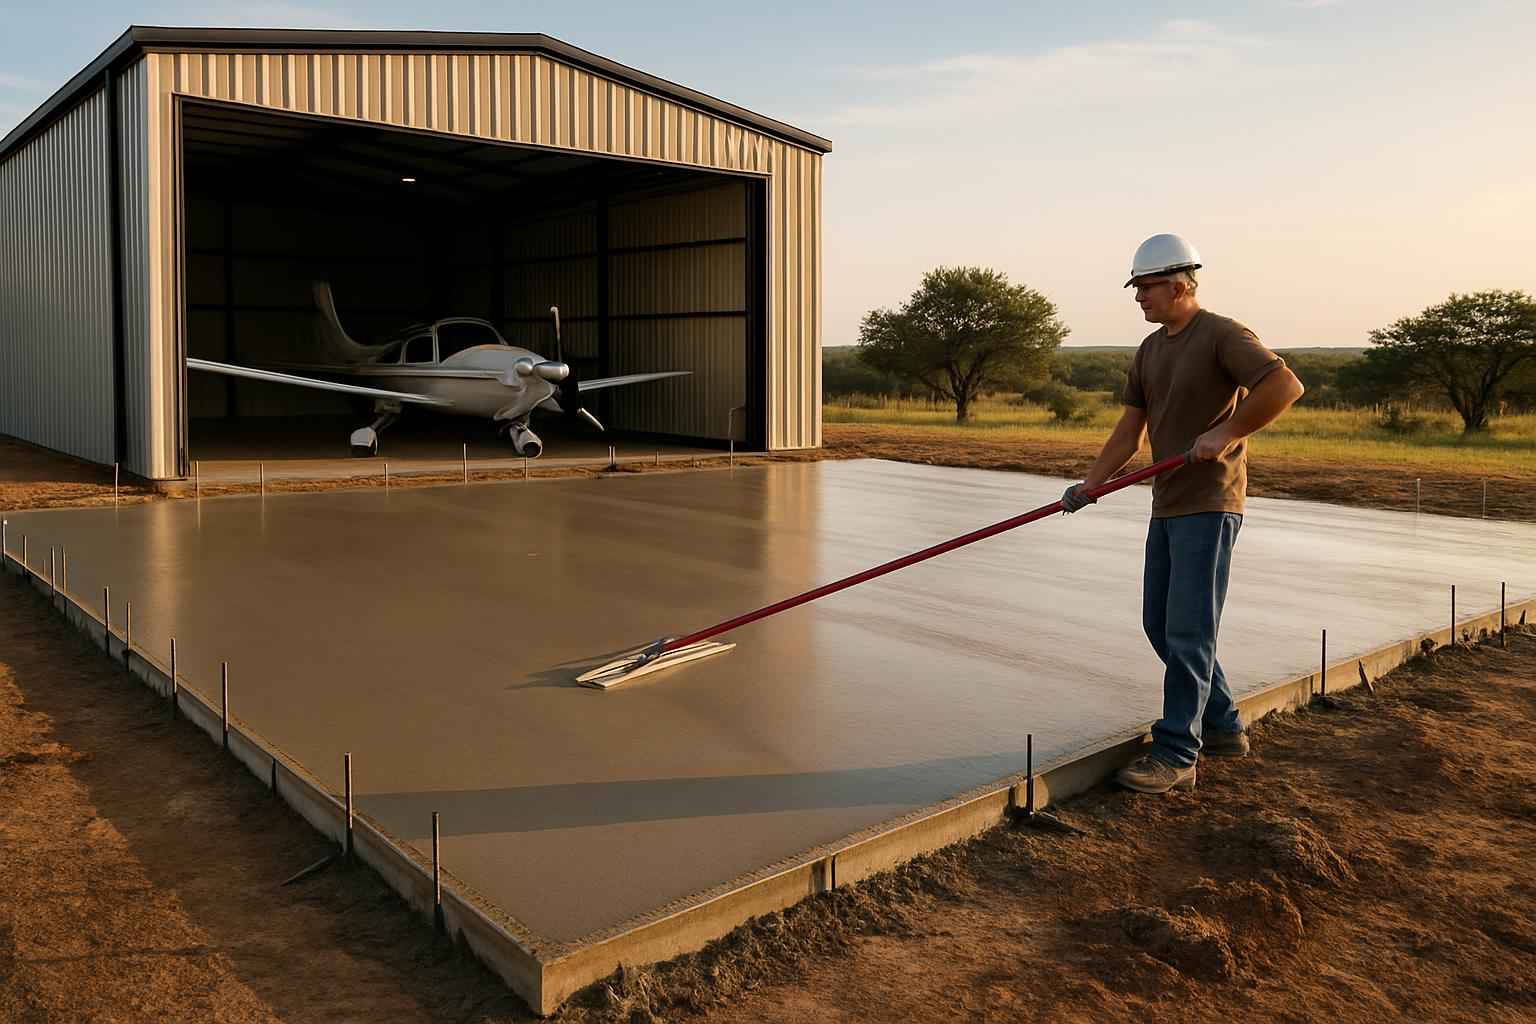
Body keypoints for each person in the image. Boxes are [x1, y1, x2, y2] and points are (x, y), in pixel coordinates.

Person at [1061, 234, 1305, 794]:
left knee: (1189, 630)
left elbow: (1284, 384)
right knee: (1160, 624)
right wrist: (1091, 485)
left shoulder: (1223, 334)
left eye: (1144, 287)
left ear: (1177, 284)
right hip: (1167, 501)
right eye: (1137, 289)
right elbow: (1130, 430)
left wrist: (1225, 431)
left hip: (1211, 500)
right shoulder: (1150, 350)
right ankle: (1221, 726)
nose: (1138, 298)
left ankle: (1176, 753)